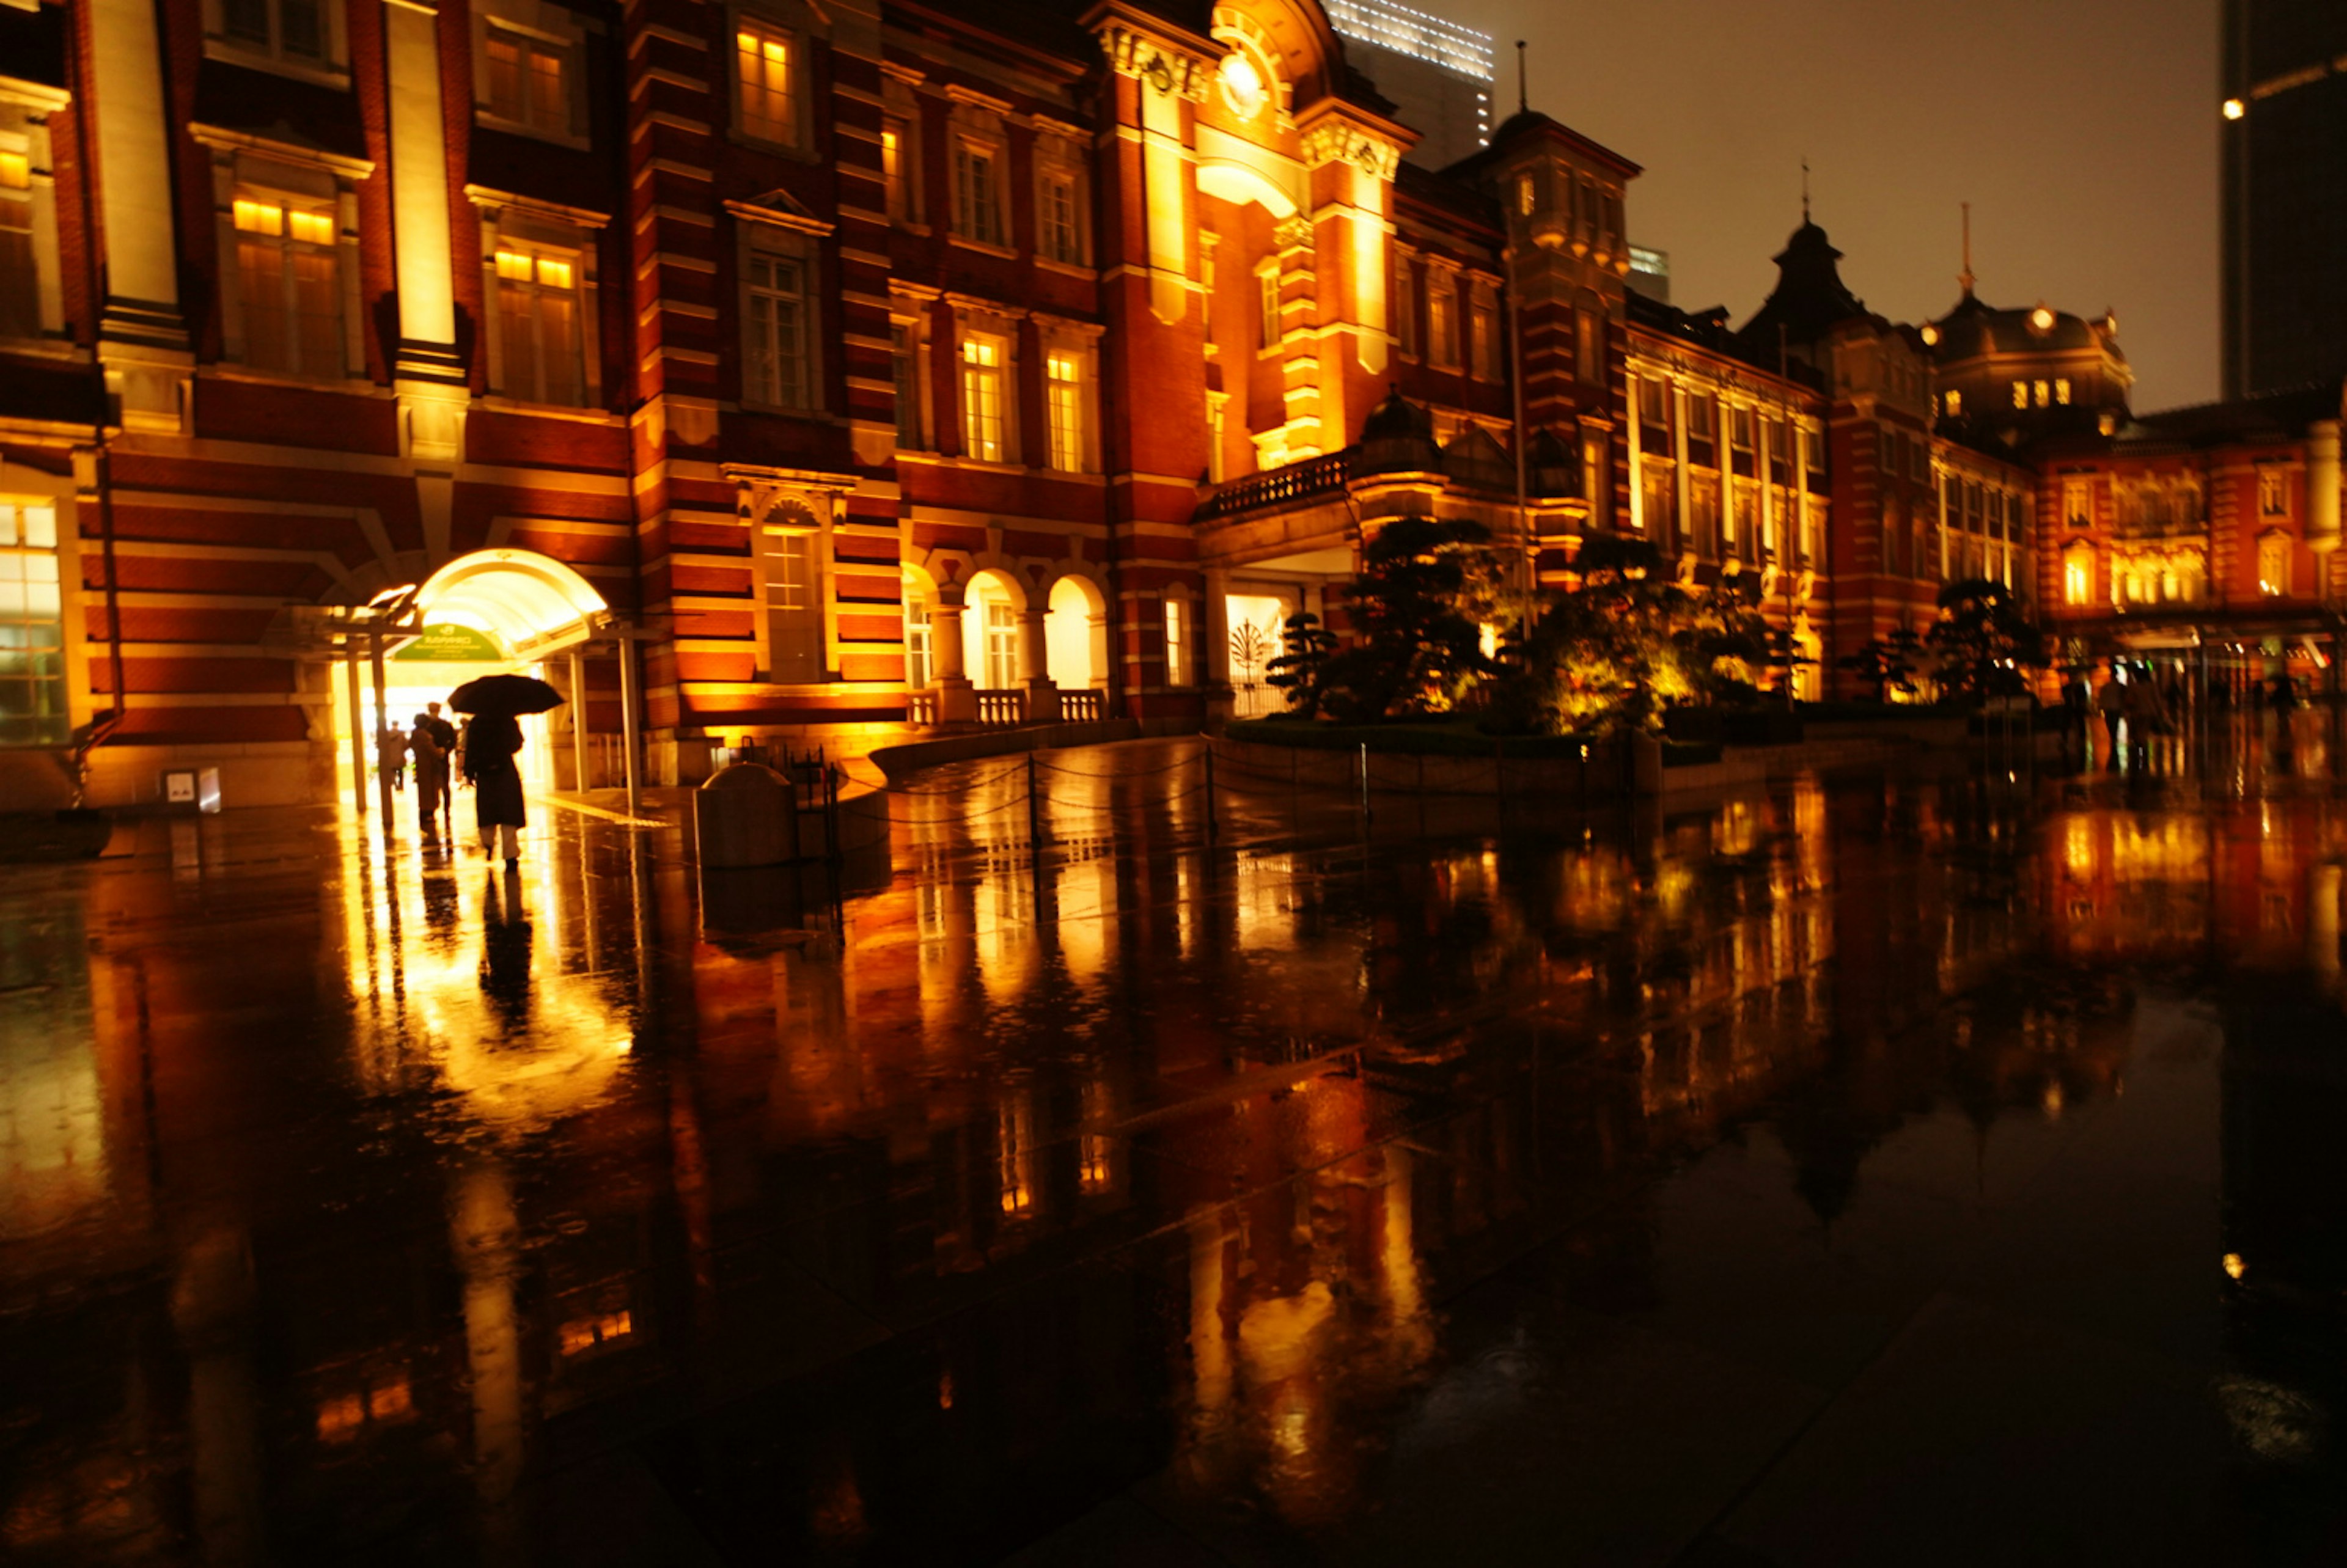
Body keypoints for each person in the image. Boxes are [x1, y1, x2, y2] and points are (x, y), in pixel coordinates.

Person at [462, 711, 528, 868]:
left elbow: (470, 749)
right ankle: (510, 855)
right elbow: (517, 744)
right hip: (505, 769)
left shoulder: (476, 723)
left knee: (487, 811)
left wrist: (469, 773)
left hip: (484, 772)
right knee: (508, 814)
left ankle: (488, 843)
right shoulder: (507, 719)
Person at [410, 709, 450, 833]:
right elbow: (432, 750)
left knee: (424, 790)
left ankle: (426, 813)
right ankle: (428, 814)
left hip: (421, 765)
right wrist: (441, 752)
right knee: (430, 790)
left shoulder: (415, 734)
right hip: (429, 766)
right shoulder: (424, 735)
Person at [2095, 670, 2126, 768]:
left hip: (2108, 709)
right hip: (2117, 708)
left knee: (2109, 723)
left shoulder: (2105, 687)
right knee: (2115, 723)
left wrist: (2100, 707)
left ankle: (2113, 737)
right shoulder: (2120, 687)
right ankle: (2114, 737)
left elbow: (2102, 698)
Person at [378, 722, 409, 790]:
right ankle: (401, 785)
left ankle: (395, 785)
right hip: (400, 756)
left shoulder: (387, 735)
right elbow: (406, 744)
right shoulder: (401, 734)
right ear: (397, 725)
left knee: (392, 772)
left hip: (390, 758)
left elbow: (382, 745)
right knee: (401, 772)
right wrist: (403, 750)